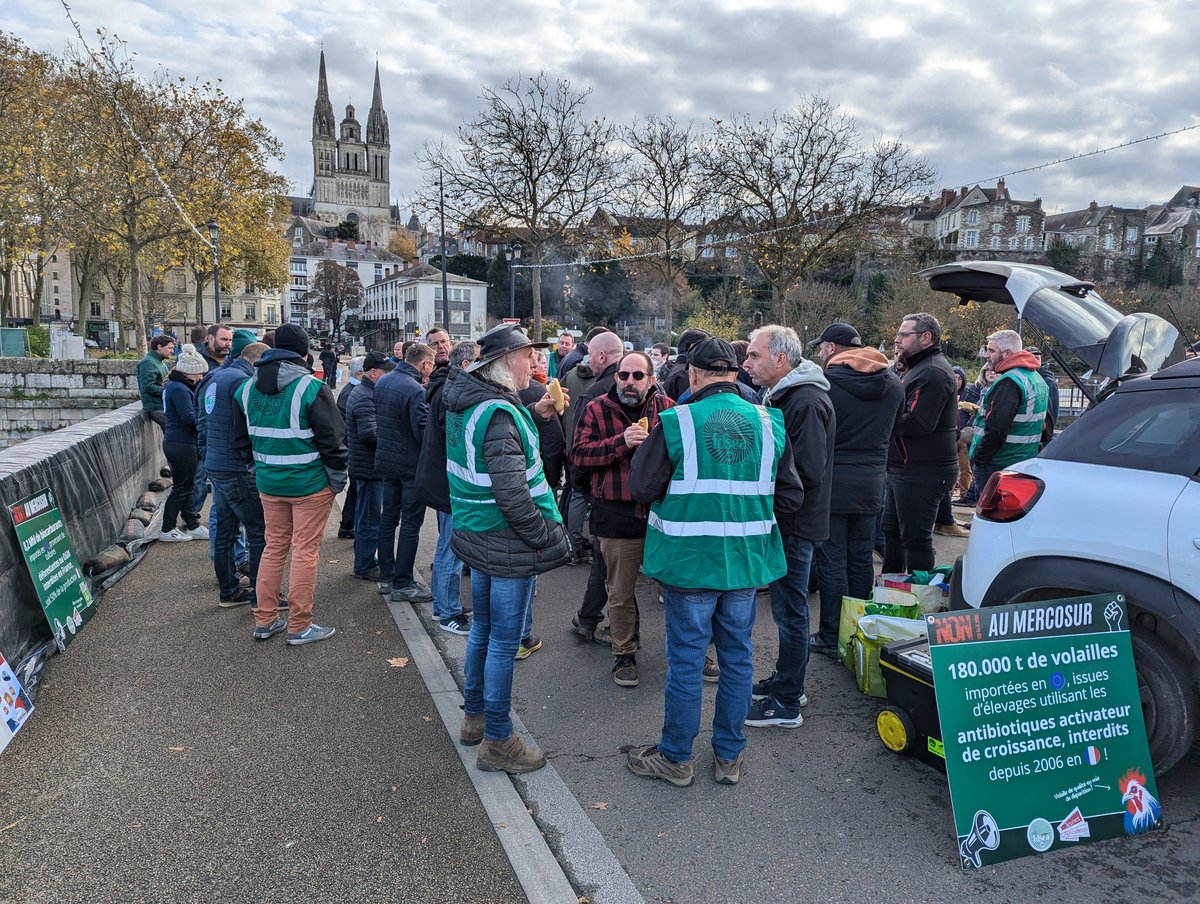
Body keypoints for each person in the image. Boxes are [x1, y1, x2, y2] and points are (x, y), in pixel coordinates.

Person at [625, 336, 803, 786]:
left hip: (690, 563)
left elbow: (642, 487)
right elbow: (792, 495)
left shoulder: (678, 421)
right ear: (735, 373)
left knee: (686, 662)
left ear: (694, 374)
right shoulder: (768, 422)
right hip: (744, 563)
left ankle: (676, 757)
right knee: (738, 659)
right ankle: (728, 757)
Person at [446, 324, 570, 774]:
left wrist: (532, 412)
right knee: (503, 641)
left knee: (483, 631)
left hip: (479, 534)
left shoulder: (471, 402)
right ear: (503, 364)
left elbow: (494, 456)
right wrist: (543, 536)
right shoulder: (498, 412)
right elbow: (513, 493)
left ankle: (474, 718)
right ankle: (499, 740)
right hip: (508, 540)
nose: (535, 365)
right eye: (527, 357)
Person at [741, 324, 834, 728]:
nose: (746, 363)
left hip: (795, 523)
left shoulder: (805, 401)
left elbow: (808, 470)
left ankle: (787, 701)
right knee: (787, 609)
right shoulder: (788, 394)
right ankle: (786, 680)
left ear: (781, 360)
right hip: (792, 519)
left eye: (754, 355)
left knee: (790, 612)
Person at [232, 323, 348, 645]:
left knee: (273, 548)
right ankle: (299, 625)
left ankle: (265, 620)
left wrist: (259, 468)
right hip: (310, 484)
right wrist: (337, 479)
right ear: (303, 352)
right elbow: (334, 441)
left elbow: (241, 440)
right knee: (305, 551)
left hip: (269, 483)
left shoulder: (245, 389)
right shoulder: (310, 388)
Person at [570, 350, 674, 687]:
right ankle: (624, 654)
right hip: (616, 512)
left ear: (651, 379)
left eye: (637, 376)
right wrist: (621, 442)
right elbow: (579, 455)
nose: (629, 382)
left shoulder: (668, 409)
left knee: (678, 588)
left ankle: (689, 652)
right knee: (620, 591)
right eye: (623, 375)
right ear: (615, 377)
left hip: (662, 514)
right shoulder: (597, 408)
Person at [809, 323, 903, 655]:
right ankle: (861, 632)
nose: (819, 352)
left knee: (832, 559)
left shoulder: (826, 382)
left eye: (821, 347)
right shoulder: (893, 383)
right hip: (872, 481)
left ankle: (831, 634)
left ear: (833, 348)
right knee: (862, 558)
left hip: (833, 483)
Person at [884, 313, 959, 575]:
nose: (897, 340)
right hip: (904, 467)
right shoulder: (917, 368)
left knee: (915, 539)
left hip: (922, 470)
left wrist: (881, 415)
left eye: (904, 335)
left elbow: (918, 424)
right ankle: (891, 588)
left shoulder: (933, 372)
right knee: (892, 532)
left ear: (925, 337)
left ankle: (919, 597)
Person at [200, 336, 270, 607]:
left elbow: (201, 420)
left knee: (226, 530)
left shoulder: (214, 377)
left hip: (216, 464)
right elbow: (250, 425)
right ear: (256, 362)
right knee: (258, 529)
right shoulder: (244, 382)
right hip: (237, 466)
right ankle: (261, 594)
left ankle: (229, 590)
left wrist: (207, 454)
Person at [415, 340, 479, 635]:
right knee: (450, 548)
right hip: (448, 482)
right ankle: (446, 611)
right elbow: (454, 440)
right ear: (466, 365)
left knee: (451, 546)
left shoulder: (445, 385)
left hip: (443, 478)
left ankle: (448, 604)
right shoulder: (452, 392)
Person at [375, 343, 436, 606]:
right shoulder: (414, 390)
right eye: (430, 366)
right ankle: (403, 583)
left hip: (387, 461)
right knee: (411, 524)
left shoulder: (383, 381)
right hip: (410, 466)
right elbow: (421, 431)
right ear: (424, 364)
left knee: (388, 519)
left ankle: (387, 576)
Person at [970, 330, 1049, 494]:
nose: (987, 355)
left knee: (991, 516)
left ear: (1007, 353)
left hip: (998, 461)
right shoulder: (1036, 378)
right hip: (1023, 460)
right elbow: (1046, 425)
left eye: (992, 351)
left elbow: (997, 429)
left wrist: (980, 459)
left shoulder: (1009, 382)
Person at [346, 350, 395, 582]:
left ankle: (364, 560)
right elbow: (369, 435)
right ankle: (365, 564)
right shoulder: (366, 396)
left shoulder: (364, 391)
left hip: (366, 467)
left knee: (365, 516)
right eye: (385, 372)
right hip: (369, 468)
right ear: (373, 373)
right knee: (369, 519)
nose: (388, 377)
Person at [158, 344, 209, 542]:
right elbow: (189, 419)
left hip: (180, 442)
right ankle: (167, 528)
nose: (201, 378)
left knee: (186, 487)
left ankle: (192, 524)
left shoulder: (177, 386)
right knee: (181, 488)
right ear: (189, 372)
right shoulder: (179, 389)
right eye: (198, 374)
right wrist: (206, 422)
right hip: (181, 443)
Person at [336, 356, 365, 539]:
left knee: (355, 490)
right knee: (357, 490)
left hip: (350, 448)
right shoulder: (352, 393)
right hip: (353, 449)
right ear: (359, 373)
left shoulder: (351, 390)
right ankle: (348, 525)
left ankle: (347, 524)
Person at [656, 328, 710, 401]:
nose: (710, 351)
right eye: (706, 347)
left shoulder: (675, 369)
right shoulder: (687, 373)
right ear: (692, 346)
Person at [1024, 345, 1060, 444]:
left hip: (1040, 436)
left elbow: (1053, 412)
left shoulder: (1048, 382)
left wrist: (1047, 432)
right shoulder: (1023, 378)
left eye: (1037, 358)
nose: (1033, 360)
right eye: (1029, 357)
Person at [138, 334, 174, 430]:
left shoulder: (159, 361)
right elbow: (147, 386)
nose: (172, 351)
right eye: (169, 348)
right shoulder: (148, 362)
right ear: (159, 347)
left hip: (162, 406)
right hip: (156, 407)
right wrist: (168, 391)